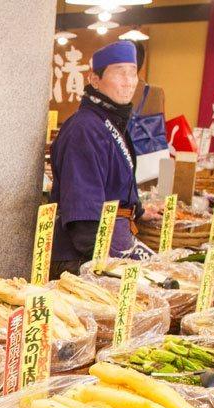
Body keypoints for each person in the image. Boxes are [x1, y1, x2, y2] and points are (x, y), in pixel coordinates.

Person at [49, 41, 143, 277]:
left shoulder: (109, 122)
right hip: (81, 258)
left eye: (133, 73)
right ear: (95, 80)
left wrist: (139, 209)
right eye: (120, 72)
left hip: (114, 242)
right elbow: (83, 216)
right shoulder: (85, 128)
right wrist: (105, 269)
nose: (128, 81)